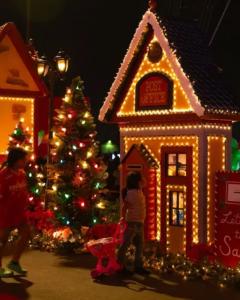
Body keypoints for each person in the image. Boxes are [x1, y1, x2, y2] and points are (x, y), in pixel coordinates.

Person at [0, 148, 31, 277]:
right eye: (23, 159)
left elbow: (23, 190)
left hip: (20, 213)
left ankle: (14, 262)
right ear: (16, 160)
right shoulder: (3, 175)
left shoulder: (22, 173)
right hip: (6, 213)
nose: (26, 161)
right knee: (2, 241)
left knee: (27, 234)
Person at [118, 171, 150, 275]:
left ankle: (138, 266)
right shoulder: (132, 193)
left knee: (140, 244)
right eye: (142, 178)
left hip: (139, 222)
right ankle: (120, 266)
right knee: (125, 244)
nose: (144, 180)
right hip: (132, 222)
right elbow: (125, 206)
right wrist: (123, 218)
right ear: (138, 182)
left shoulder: (138, 191)